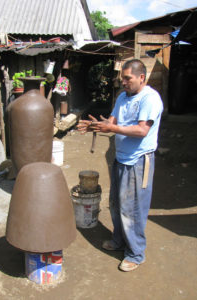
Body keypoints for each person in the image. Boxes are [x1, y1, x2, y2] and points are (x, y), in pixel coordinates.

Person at [77, 59, 163, 272]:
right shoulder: (123, 97)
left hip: (138, 161)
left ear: (141, 77)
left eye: (127, 78)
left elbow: (142, 130)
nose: (123, 82)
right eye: (121, 78)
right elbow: (112, 121)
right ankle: (119, 240)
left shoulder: (150, 98)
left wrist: (112, 128)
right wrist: (97, 126)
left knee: (132, 209)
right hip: (121, 158)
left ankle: (135, 253)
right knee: (116, 204)